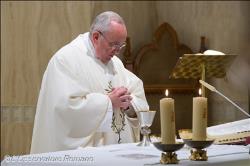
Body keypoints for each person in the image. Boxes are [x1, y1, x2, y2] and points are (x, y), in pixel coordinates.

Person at [30, 11, 149, 154]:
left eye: (121, 46)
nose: (117, 51)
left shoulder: (116, 64)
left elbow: (136, 93)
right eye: (113, 45)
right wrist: (108, 102)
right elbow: (65, 108)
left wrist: (129, 103)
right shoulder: (65, 60)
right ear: (96, 36)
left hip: (117, 152)